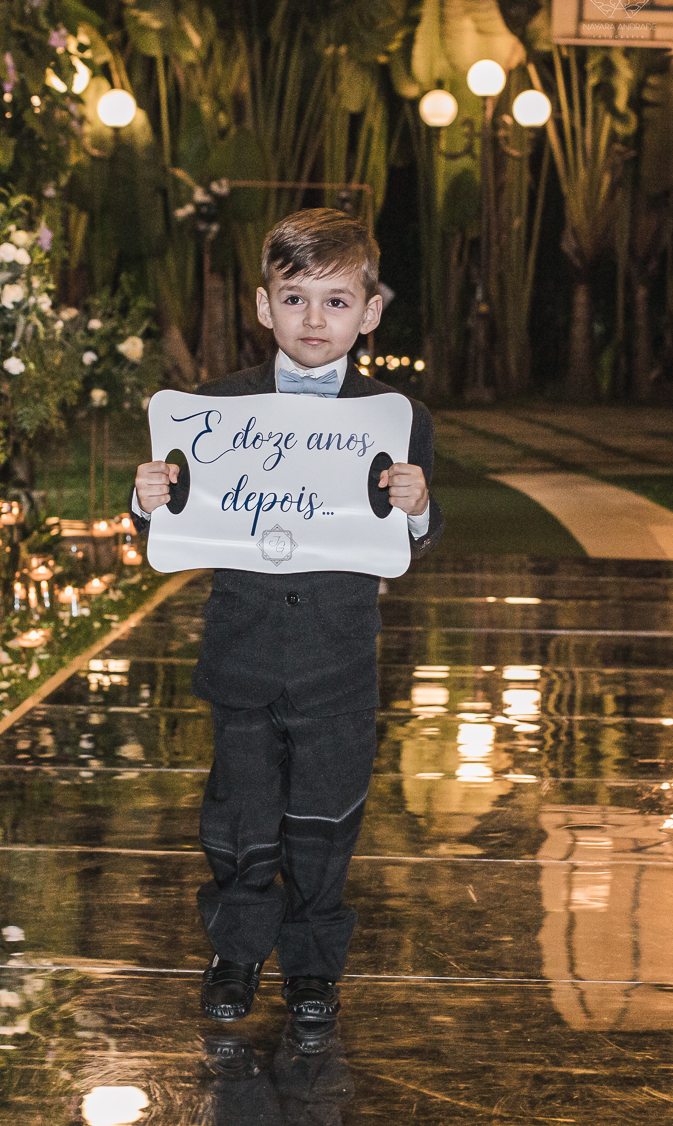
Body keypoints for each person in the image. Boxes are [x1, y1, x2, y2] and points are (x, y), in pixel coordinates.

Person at [130, 208, 444, 1038]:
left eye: (337, 302)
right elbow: (179, 523)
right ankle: (236, 954)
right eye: (295, 298)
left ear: (371, 312)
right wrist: (147, 500)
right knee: (238, 819)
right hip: (240, 652)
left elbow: (414, 535)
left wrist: (415, 509)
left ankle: (312, 966)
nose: (315, 320)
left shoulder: (394, 417)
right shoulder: (214, 409)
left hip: (339, 659)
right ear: (264, 307)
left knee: (325, 821)